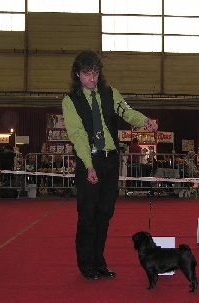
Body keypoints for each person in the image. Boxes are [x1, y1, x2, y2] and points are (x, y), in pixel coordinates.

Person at [62, 50, 158, 280]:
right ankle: (86, 264)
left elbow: (126, 111)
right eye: (87, 74)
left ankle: (99, 261)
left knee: (105, 213)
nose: (92, 79)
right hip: (90, 160)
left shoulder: (110, 93)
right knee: (88, 214)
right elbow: (77, 134)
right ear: (77, 74)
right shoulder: (70, 101)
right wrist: (88, 165)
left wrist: (144, 121)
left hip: (110, 159)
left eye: (95, 73)